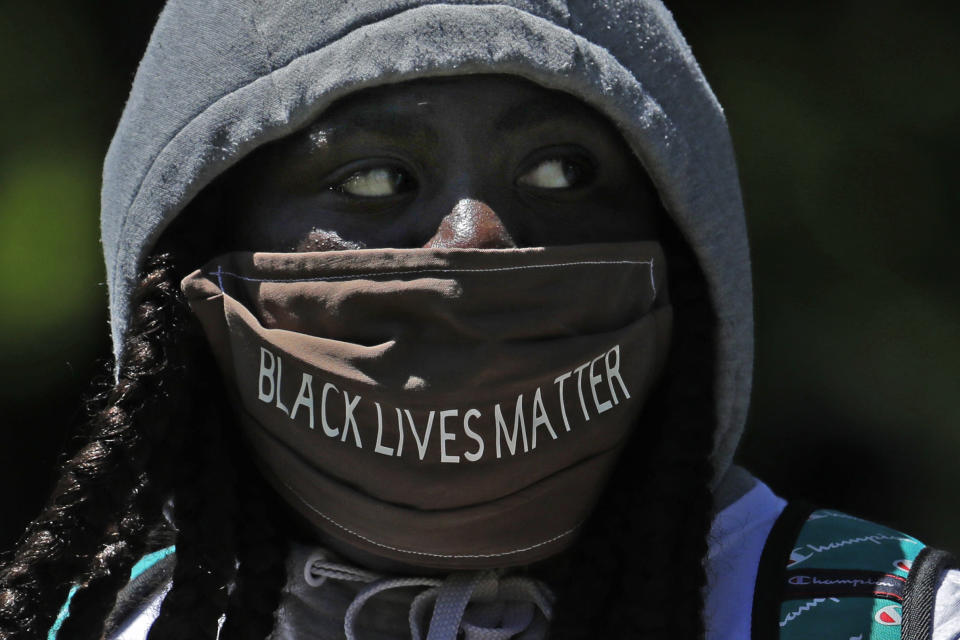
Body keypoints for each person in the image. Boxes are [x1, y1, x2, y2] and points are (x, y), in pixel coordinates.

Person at [0, 1, 956, 639]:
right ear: (194, 253)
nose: (476, 240)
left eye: (562, 172)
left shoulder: (887, 616)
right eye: (372, 180)